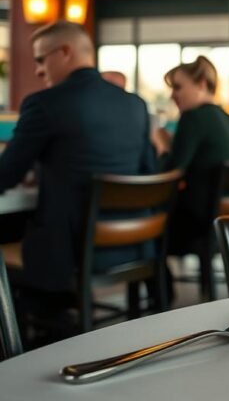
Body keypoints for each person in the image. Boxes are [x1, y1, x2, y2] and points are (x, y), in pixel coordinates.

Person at [0, 22, 154, 323]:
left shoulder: (45, 104)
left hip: (69, 253)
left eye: (41, 59)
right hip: (134, 246)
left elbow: (6, 175)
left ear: (65, 53)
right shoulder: (135, 105)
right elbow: (148, 172)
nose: (38, 71)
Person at [151, 56, 229, 256]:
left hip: (196, 226)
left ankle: (161, 287)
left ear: (201, 83)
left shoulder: (193, 117)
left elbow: (170, 174)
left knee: (144, 230)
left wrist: (162, 147)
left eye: (177, 87)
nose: (172, 96)